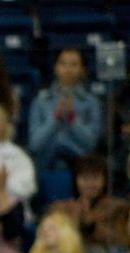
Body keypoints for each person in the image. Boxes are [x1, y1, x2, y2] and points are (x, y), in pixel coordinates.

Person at [28, 48, 103, 178]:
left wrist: (73, 121)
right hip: (46, 161)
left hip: (80, 161)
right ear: (55, 68)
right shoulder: (41, 100)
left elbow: (92, 143)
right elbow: (34, 144)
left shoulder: (91, 102)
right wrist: (55, 120)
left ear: (82, 70)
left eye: (74, 64)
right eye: (63, 63)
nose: (68, 69)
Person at [52, 155, 129, 253]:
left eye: (95, 178)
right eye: (84, 178)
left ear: (105, 180)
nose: (89, 184)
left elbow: (120, 241)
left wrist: (91, 226)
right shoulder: (62, 207)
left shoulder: (118, 207)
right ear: (76, 180)